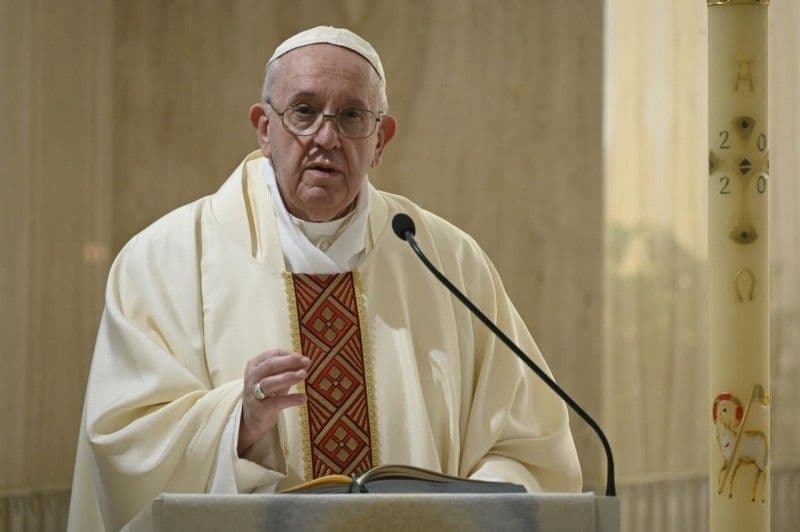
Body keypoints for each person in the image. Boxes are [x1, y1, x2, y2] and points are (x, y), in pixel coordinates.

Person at [67, 26, 581, 531]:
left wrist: (467, 515)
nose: (326, 138)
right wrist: (237, 423)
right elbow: (123, 443)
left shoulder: (448, 261)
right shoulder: (164, 260)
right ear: (264, 128)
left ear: (380, 140)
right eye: (304, 112)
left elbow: (527, 444)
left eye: (352, 116)